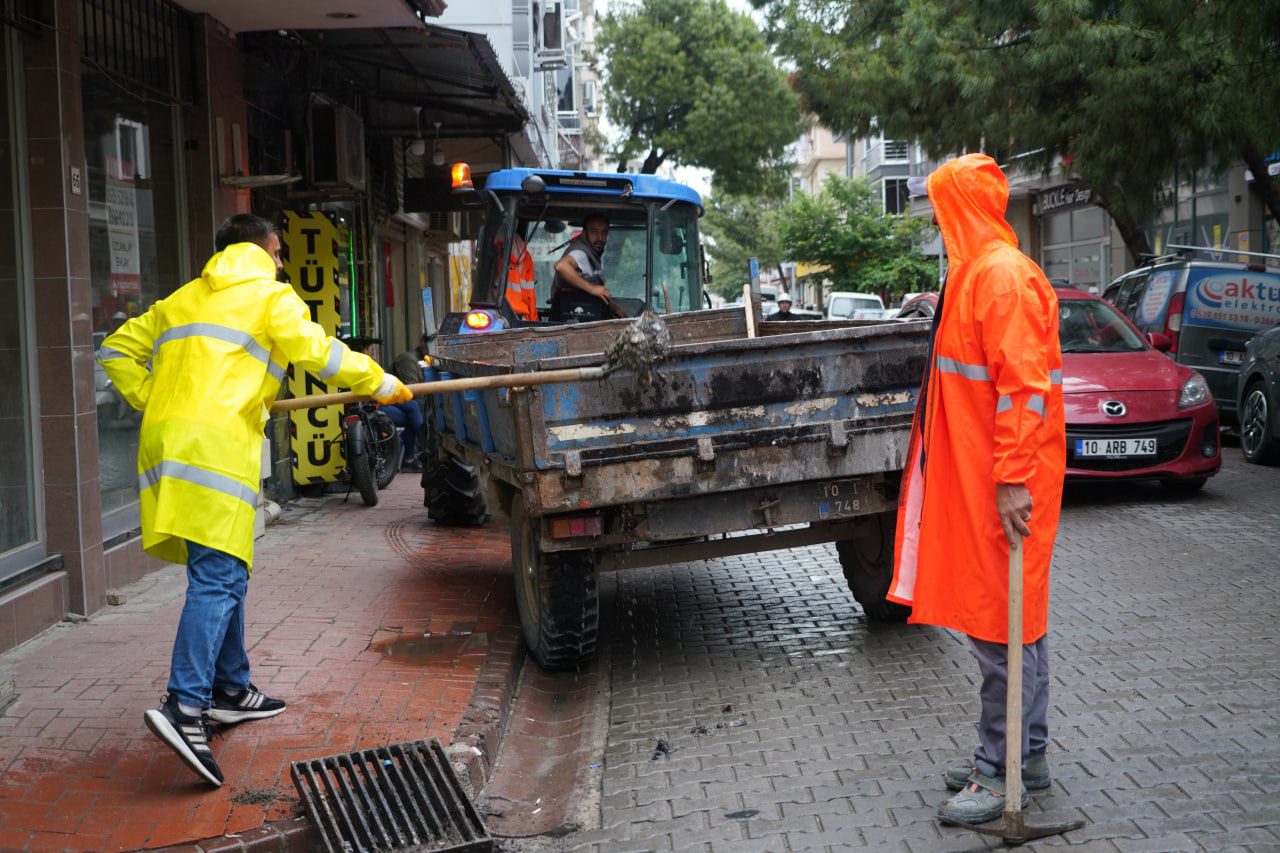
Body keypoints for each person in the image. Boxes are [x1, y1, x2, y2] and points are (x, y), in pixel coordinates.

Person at [98, 213, 413, 787]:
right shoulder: (270, 297)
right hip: (216, 448)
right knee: (217, 576)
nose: (282, 260)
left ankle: (229, 688)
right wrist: (380, 382)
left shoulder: (180, 300)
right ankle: (185, 708)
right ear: (262, 251)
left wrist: (158, 400)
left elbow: (116, 349)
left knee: (226, 564)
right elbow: (318, 352)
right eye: (278, 251)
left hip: (168, 445)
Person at [886, 155, 1066, 826]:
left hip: (1006, 484)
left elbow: (1024, 391)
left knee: (1005, 628)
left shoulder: (1000, 277)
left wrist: (1013, 479)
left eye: (939, 206)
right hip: (985, 481)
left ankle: (1000, 770)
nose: (935, 219)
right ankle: (1028, 753)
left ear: (960, 206)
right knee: (1016, 623)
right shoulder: (975, 274)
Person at [550, 214, 619, 318]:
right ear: (584, 232)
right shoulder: (580, 252)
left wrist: (616, 309)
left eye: (604, 232)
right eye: (594, 232)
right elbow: (561, 266)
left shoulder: (592, 253)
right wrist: (592, 289)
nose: (600, 238)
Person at [504, 232, 539, 321]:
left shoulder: (493, 252)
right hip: (518, 316)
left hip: (494, 313)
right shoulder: (526, 257)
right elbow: (530, 295)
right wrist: (533, 320)